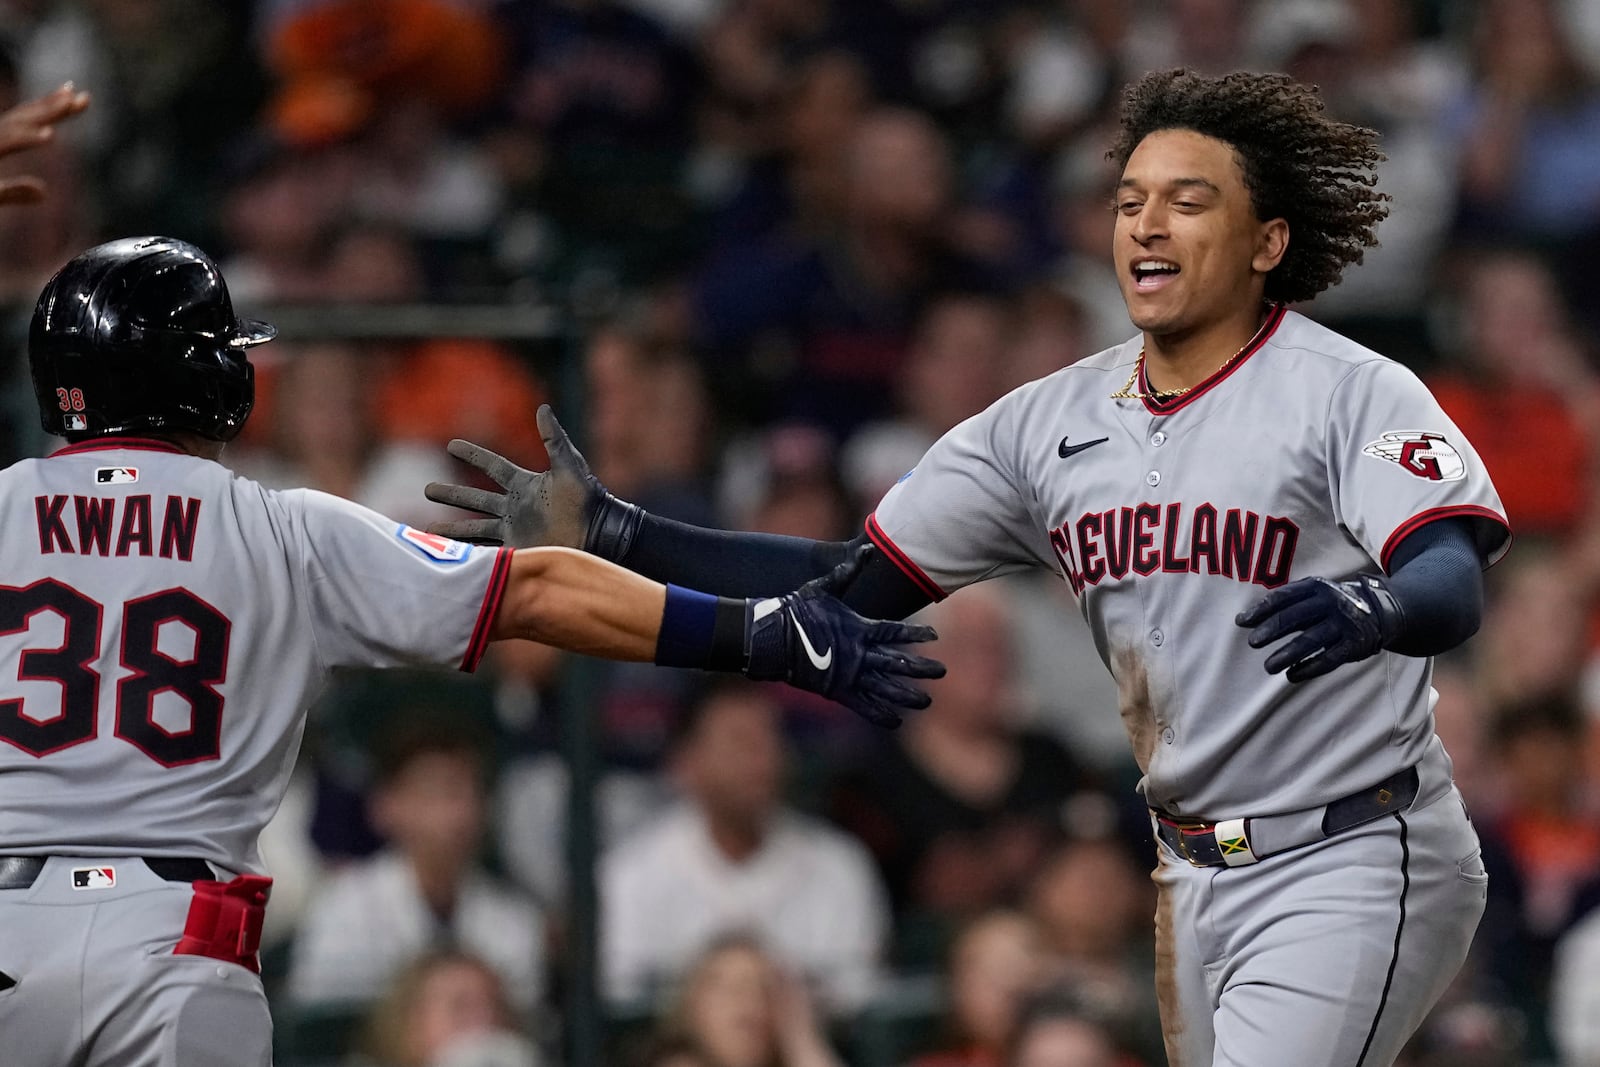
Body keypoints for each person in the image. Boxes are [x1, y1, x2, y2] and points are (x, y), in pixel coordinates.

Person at [429, 68, 1512, 1067]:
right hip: (1189, 867)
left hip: (1358, 843)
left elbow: (1448, 576)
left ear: (1268, 240)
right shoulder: (1040, 427)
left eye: (1188, 200)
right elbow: (850, 584)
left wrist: (1377, 604)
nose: (1145, 221)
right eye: (1130, 197)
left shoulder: (1350, 391)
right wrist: (621, 531)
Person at [0, 236, 942, 1067]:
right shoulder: (279, 528)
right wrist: (762, 634)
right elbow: (534, 587)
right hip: (178, 940)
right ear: (204, 376)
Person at [600, 681, 889, 1014]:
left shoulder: (840, 866)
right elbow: (624, 1007)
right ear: (686, 765)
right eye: (740, 743)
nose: (760, 761)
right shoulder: (631, 876)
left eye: (768, 740)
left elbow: (857, 1004)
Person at [288, 719, 545, 1014]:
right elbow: (325, 1040)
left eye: (467, 792)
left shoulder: (514, 922)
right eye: (437, 793)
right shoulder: (344, 909)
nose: (457, 812)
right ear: (385, 806)